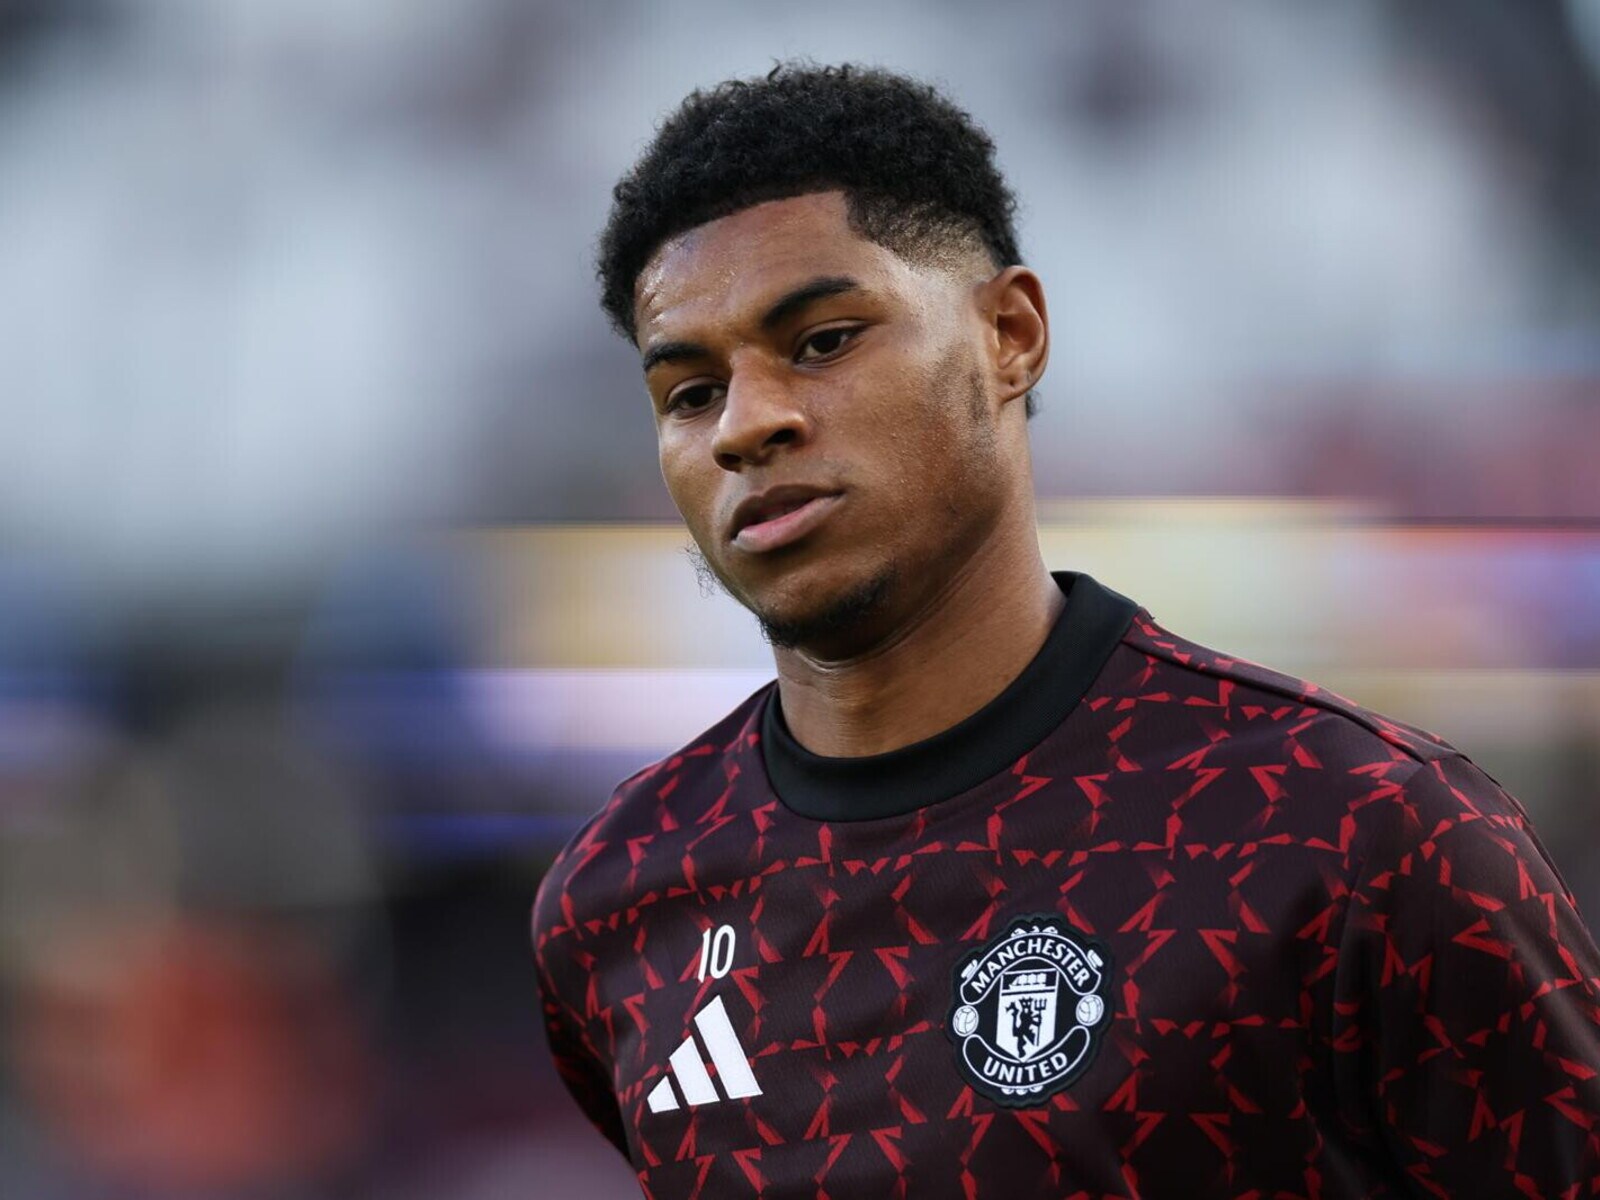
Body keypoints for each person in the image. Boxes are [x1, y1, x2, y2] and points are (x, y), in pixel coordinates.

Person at [531, 64, 1600, 1197]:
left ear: (1011, 333)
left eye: (825, 340)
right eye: (690, 393)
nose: (746, 425)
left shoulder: (1357, 828)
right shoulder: (616, 895)